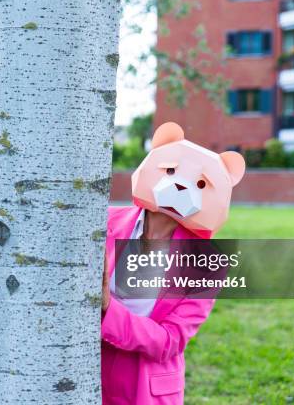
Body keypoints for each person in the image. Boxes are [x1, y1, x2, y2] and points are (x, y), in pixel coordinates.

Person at [100, 122, 245, 404]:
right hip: (81, 370)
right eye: (171, 171)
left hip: (143, 387)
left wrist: (108, 309)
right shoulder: (103, 221)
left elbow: (170, 340)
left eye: (200, 183)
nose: (180, 185)